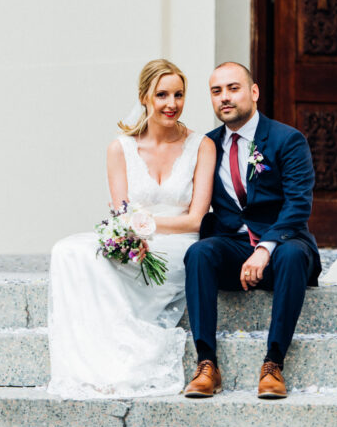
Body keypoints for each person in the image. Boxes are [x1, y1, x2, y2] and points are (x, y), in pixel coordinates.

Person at [47, 59, 215, 399]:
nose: (172, 104)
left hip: (181, 243)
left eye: (179, 95)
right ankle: (93, 362)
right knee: (68, 251)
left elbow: (196, 219)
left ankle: (127, 359)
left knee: (111, 265)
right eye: (162, 95)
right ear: (144, 97)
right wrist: (131, 232)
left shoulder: (202, 146)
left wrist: (147, 225)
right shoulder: (120, 148)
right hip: (136, 241)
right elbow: (121, 213)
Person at [183, 61, 321, 400]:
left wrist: (265, 247)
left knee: (289, 254)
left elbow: (298, 204)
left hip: (284, 247)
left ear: (254, 92)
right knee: (199, 253)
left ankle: (273, 364)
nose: (225, 98)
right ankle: (206, 364)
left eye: (233, 88)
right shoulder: (208, 145)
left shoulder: (287, 139)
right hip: (234, 246)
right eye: (217, 91)